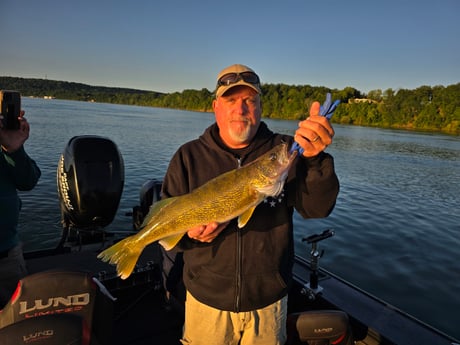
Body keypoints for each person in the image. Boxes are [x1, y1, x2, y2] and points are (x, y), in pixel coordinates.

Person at [161, 64, 339, 345]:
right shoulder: (188, 157)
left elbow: (316, 209)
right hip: (207, 301)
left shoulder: (286, 152)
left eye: (250, 101)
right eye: (231, 100)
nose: (240, 109)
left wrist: (315, 159)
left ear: (260, 106)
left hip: (268, 303)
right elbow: (170, 232)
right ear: (215, 106)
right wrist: (190, 236)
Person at [0, 109, 41, 308]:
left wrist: (14, 149)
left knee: (17, 319)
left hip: (7, 254)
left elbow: (28, 181)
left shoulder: (4, 148)